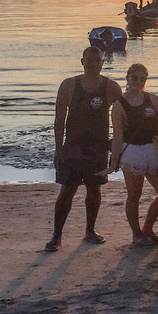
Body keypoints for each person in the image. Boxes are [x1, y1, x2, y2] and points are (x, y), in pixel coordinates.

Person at [44, 46, 122, 252]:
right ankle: (56, 235)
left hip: (97, 147)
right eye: (89, 60)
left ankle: (90, 230)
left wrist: (117, 146)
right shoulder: (69, 85)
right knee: (67, 190)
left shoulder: (111, 87)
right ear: (82, 61)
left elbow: (122, 118)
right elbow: (59, 120)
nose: (93, 64)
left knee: (94, 189)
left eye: (97, 60)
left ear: (102, 63)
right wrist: (58, 148)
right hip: (72, 147)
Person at [109, 63, 158, 246]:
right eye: (134, 78)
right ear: (128, 78)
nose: (138, 82)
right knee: (134, 194)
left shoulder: (152, 100)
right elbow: (118, 135)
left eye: (142, 78)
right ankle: (137, 234)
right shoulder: (119, 105)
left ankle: (147, 228)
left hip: (152, 150)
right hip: (132, 152)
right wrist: (114, 162)